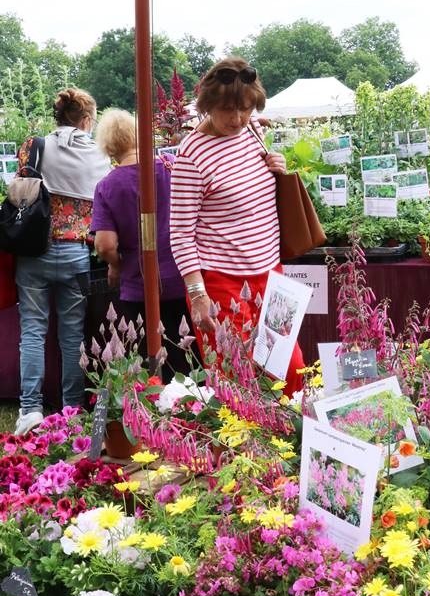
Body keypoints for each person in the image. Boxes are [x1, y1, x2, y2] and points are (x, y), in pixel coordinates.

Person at [169, 57, 304, 396]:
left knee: (290, 370)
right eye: (228, 109)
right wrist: (198, 295)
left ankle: (290, 431)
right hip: (222, 281)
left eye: (245, 108)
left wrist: (276, 165)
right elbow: (181, 233)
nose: (237, 118)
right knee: (238, 380)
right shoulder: (191, 156)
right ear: (208, 105)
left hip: (270, 275)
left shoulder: (252, 131)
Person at [14, 87, 110, 436]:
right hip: (75, 253)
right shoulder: (99, 155)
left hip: (34, 250)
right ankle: (72, 409)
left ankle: (30, 410)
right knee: (72, 337)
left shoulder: (34, 146)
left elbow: (20, 190)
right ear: (86, 120)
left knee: (32, 331)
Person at [92, 109, 193, 379]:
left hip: (139, 286)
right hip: (184, 277)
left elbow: (104, 245)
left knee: (150, 365)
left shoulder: (107, 186)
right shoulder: (171, 166)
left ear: (108, 147)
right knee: (189, 359)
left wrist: (116, 265)